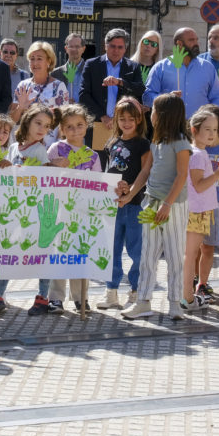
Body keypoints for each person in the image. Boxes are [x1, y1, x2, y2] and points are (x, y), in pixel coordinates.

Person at [122, 94, 191, 321]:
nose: (149, 114)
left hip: (173, 207)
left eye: (152, 111)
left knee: (173, 256)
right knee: (147, 256)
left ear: (162, 115)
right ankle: (143, 301)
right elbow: (145, 172)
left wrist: (168, 204)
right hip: (150, 204)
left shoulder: (181, 142)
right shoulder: (156, 141)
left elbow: (182, 175)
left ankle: (174, 303)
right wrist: (129, 195)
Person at [42, 104, 101, 313]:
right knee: (58, 252)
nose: (75, 130)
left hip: (81, 213)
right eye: (69, 127)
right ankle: (55, 297)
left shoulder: (93, 155)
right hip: (58, 211)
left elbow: (98, 185)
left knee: (79, 254)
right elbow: (44, 174)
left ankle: (80, 297)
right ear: (62, 129)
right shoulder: (56, 148)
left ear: (87, 125)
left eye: (79, 125)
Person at [99, 98, 151, 309]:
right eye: (122, 118)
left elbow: (145, 173)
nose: (127, 122)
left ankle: (136, 289)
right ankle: (111, 292)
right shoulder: (111, 143)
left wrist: (130, 192)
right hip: (113, 206)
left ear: (139, 120)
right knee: (111, 250)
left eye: (131, 118)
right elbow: (106, 173)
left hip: (134, 205)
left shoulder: (143, 144)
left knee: (136, 250)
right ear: (116, 120)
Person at [182, 107, 219, 310]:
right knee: (190, 255)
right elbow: (199, 185)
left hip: (197, 210)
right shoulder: (199, 155)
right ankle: (187, 297)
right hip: (197, 211)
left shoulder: (196, 152)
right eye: (207, 129)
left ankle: (185, 294)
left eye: (215, 129)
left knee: (190, 254)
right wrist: (218, 174)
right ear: (194, 129)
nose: (212, 134)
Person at [80, 28, 146, 144]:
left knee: (121, 160)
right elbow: (83, 95)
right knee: (98, 160)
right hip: (98, 123)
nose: (116, 50)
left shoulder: (133, 67)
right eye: (112, 46)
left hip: (123, 126)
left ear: (125, 49)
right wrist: (102, 116)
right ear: (105, 46)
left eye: (120, 47)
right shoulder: (91, 65)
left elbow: (139, 90)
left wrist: (120, 82)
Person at [142, 27, 219, 118]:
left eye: (196, 40)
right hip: (170, 126)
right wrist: (165, 99)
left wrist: (211, 117)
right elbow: (147, 97)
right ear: (179, 44)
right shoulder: (160, 67)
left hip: (199, 126)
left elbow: (217, 97)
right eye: (191, 40)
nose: (196, 44)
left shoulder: (207, 68)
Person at [10, 41, 71, 138]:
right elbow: (11, 121)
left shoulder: (58, 86)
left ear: (49, 61)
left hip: (49, 143)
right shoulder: (23, 85)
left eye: (39, 59)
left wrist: (59, 145)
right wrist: (20, 108)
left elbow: (64, 120)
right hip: (26, 142)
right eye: (32, 59)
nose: (35, 63)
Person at [53, 32, 88, 103]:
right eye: (71, 46)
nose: (74, 49)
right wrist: (64, 102)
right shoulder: (55, 73)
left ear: (83, 49)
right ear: (66, 49)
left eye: (77, 46)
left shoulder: (90, 72)